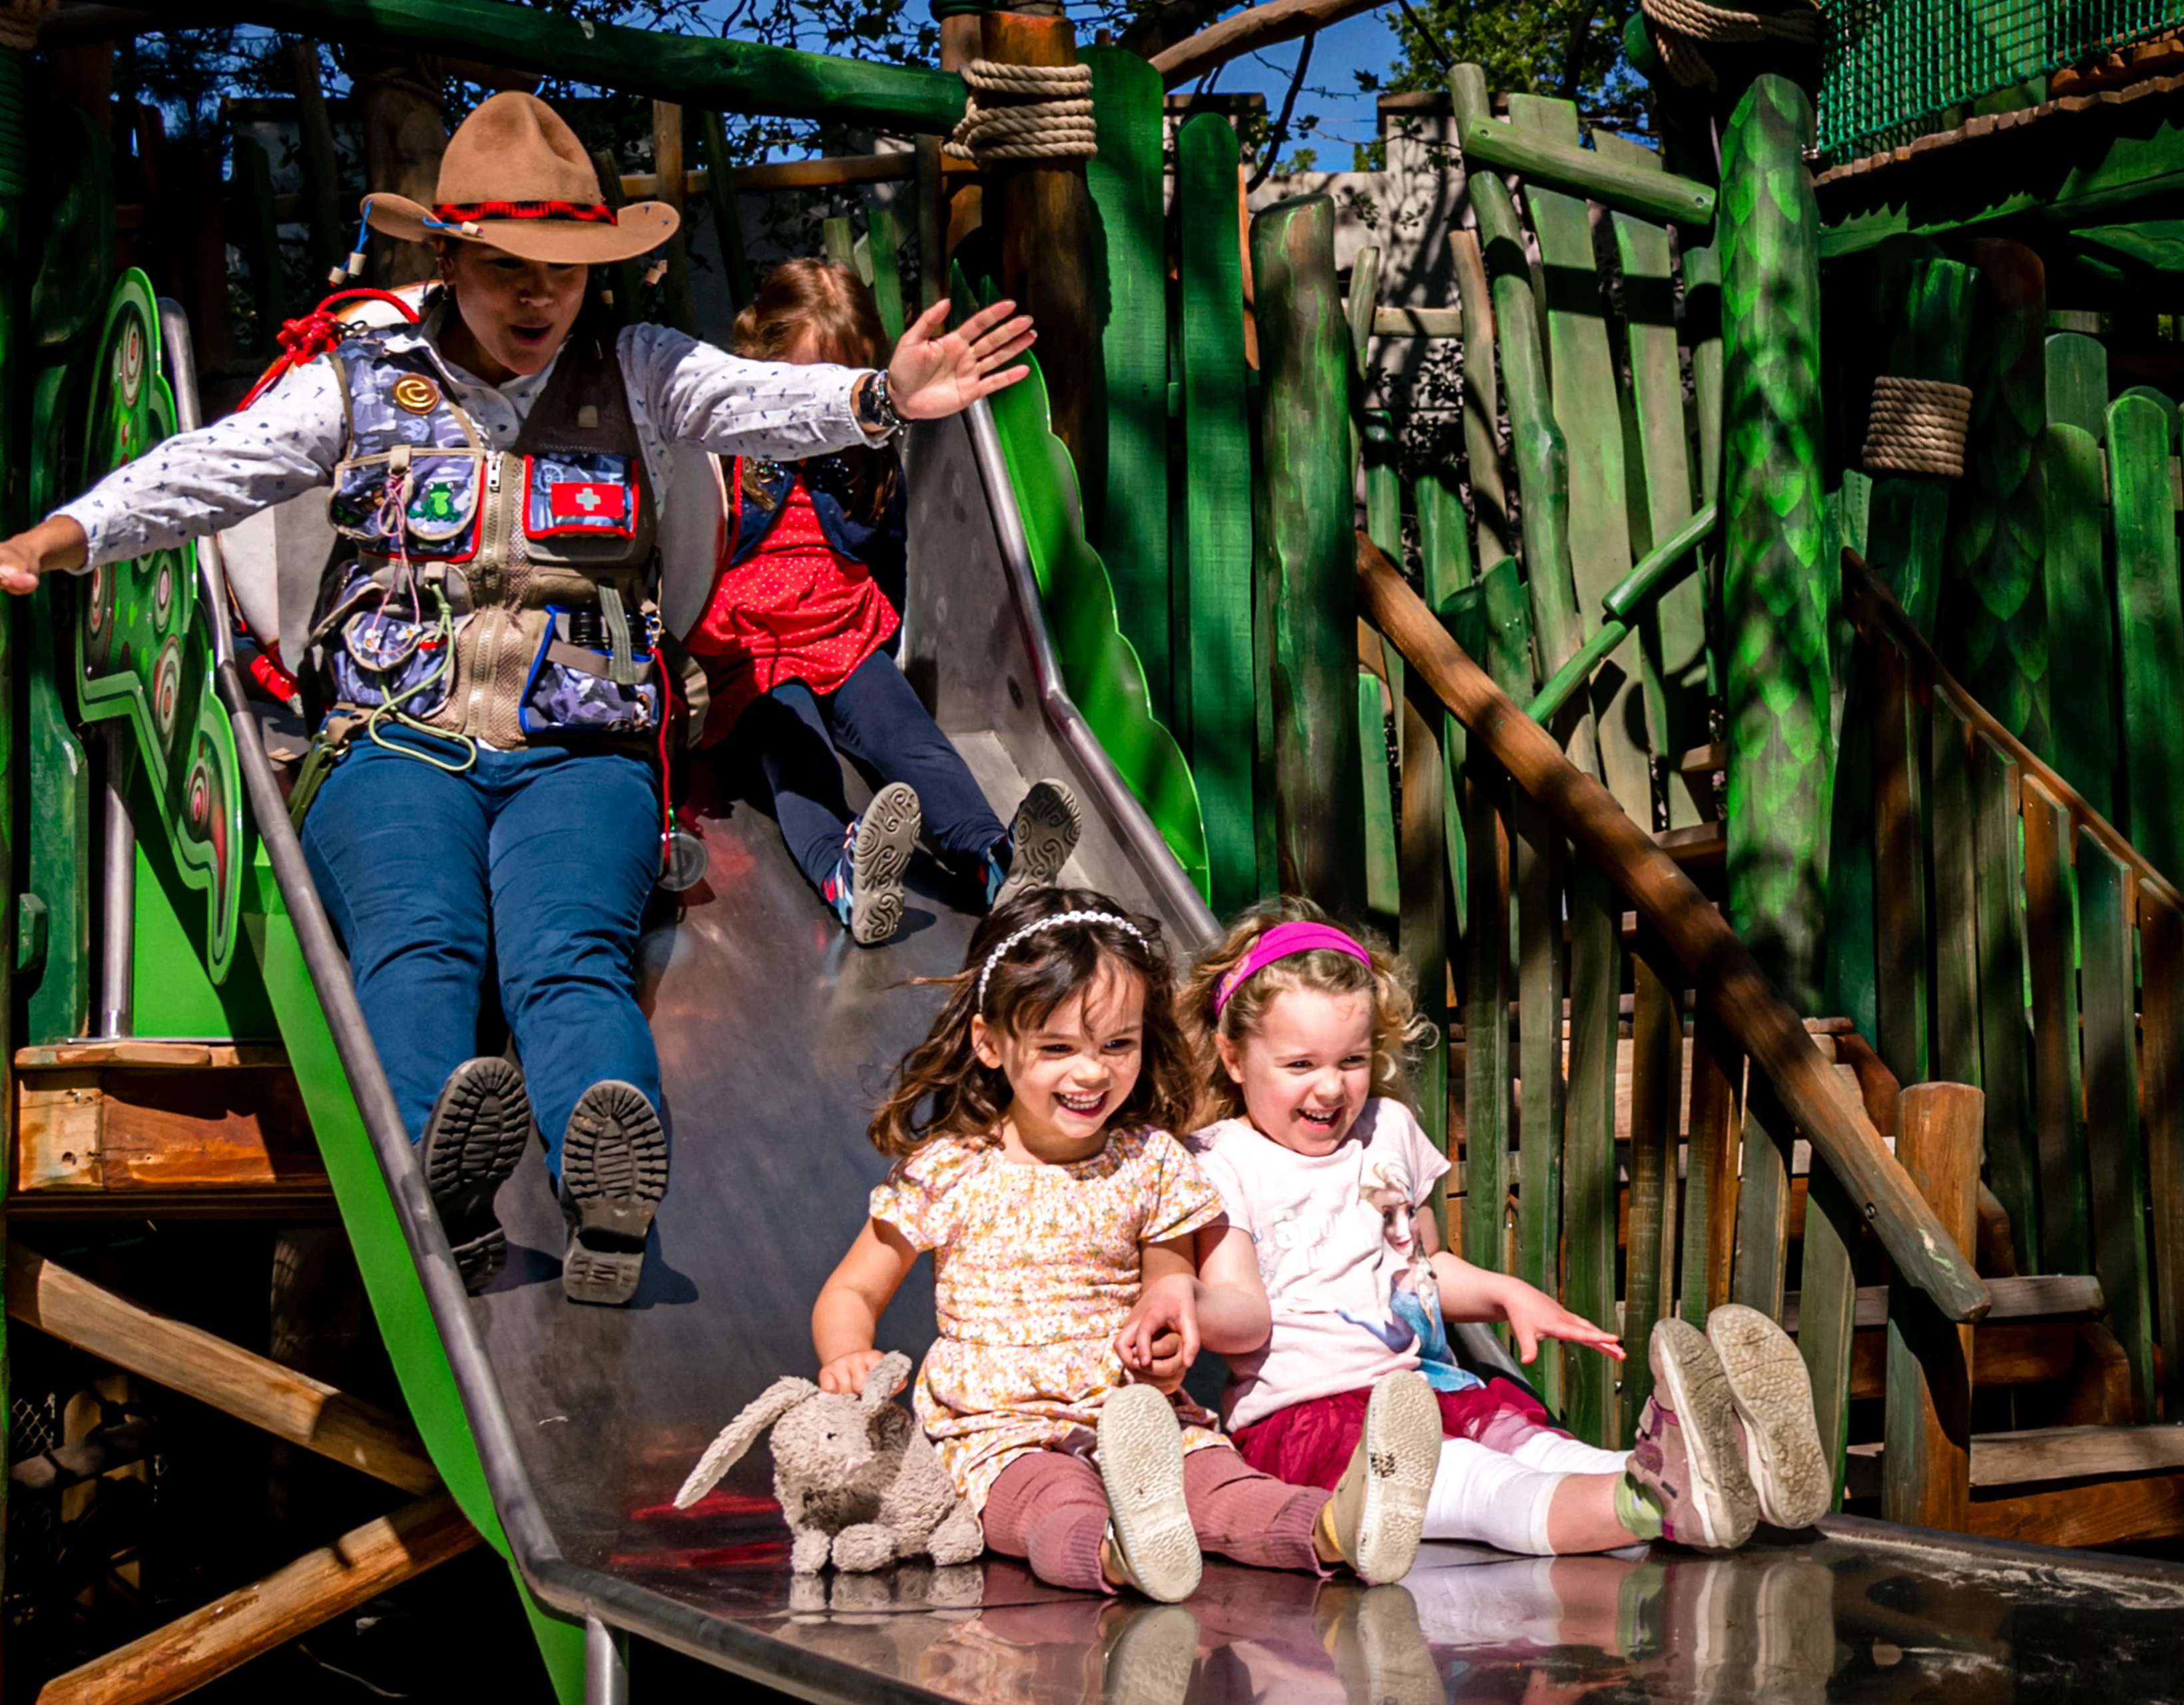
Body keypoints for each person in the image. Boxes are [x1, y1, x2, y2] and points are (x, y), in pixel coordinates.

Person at [0, 91, 1035, 1307]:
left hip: (577, 746)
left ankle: (608, 1175)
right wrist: (50, 544)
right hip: (390, 740)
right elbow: (208, 470)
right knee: (419, 938)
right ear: (448, 258)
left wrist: (880, 398)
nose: (538, 299)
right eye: (505, 271)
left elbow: (753, 399)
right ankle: (447, 1180)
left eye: (565, 274)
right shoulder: (356, 381)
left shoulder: (635, 370)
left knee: (569, 954)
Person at [1173, 897, 1834, 1562]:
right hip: (1307, 1421)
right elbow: (1243, 1312)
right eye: (1299, 1066)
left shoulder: (1387, 1130)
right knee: (1487, 1486)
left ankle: (1744, 1467)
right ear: (1233, 1057)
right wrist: (1187, 1307)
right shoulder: (1220, 1159)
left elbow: (1424, 1269)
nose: (1330, 1088)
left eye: (1350, 1061)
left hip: (1423, 1390)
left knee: (1552, 1453)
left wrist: (1505, 1293)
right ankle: (1659, 1501)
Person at [809, 888, 1420, 1604]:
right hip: (1002, 1432)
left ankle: (1336, 1526)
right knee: (1049, 1504)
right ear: (990, 1043)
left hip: (1139, 1419)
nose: (1092, 1071)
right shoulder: (952, 1169)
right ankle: (1123, 1549)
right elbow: (853, 1289)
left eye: (1117, 1044)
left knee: (1223, 1486)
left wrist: (1166, 1342)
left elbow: (1168, 1290)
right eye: (1058, 1047)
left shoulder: (1151, 1160)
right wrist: (847, 1352)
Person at [689, 259, 1080, 946]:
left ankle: (996, 862)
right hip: (751, 652)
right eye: (808, 379)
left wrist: (884, 642)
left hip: (842, 632)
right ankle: (848, 876)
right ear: (763, 356)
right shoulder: (722, 445)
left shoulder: (867, 448)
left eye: (843, 379)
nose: (825, 397)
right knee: (798, 753)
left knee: (911, 740)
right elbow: (685, 551)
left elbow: (887, 548)